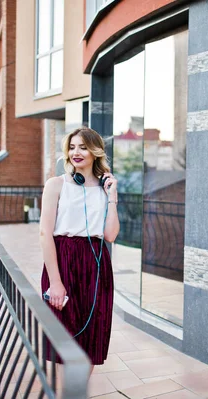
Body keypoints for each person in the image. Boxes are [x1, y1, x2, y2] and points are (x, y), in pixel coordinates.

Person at [40, 127, 120, 374]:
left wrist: (112, 197)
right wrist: (55, 281)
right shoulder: (56, 185)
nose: (76, 152)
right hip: (63, 260)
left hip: (96, 264)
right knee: (65, 338)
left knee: (92, 339)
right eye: (72, 147)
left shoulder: (104, 189)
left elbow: (110, 235)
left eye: (83, 147)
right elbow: (45, 234)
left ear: (95, 152)